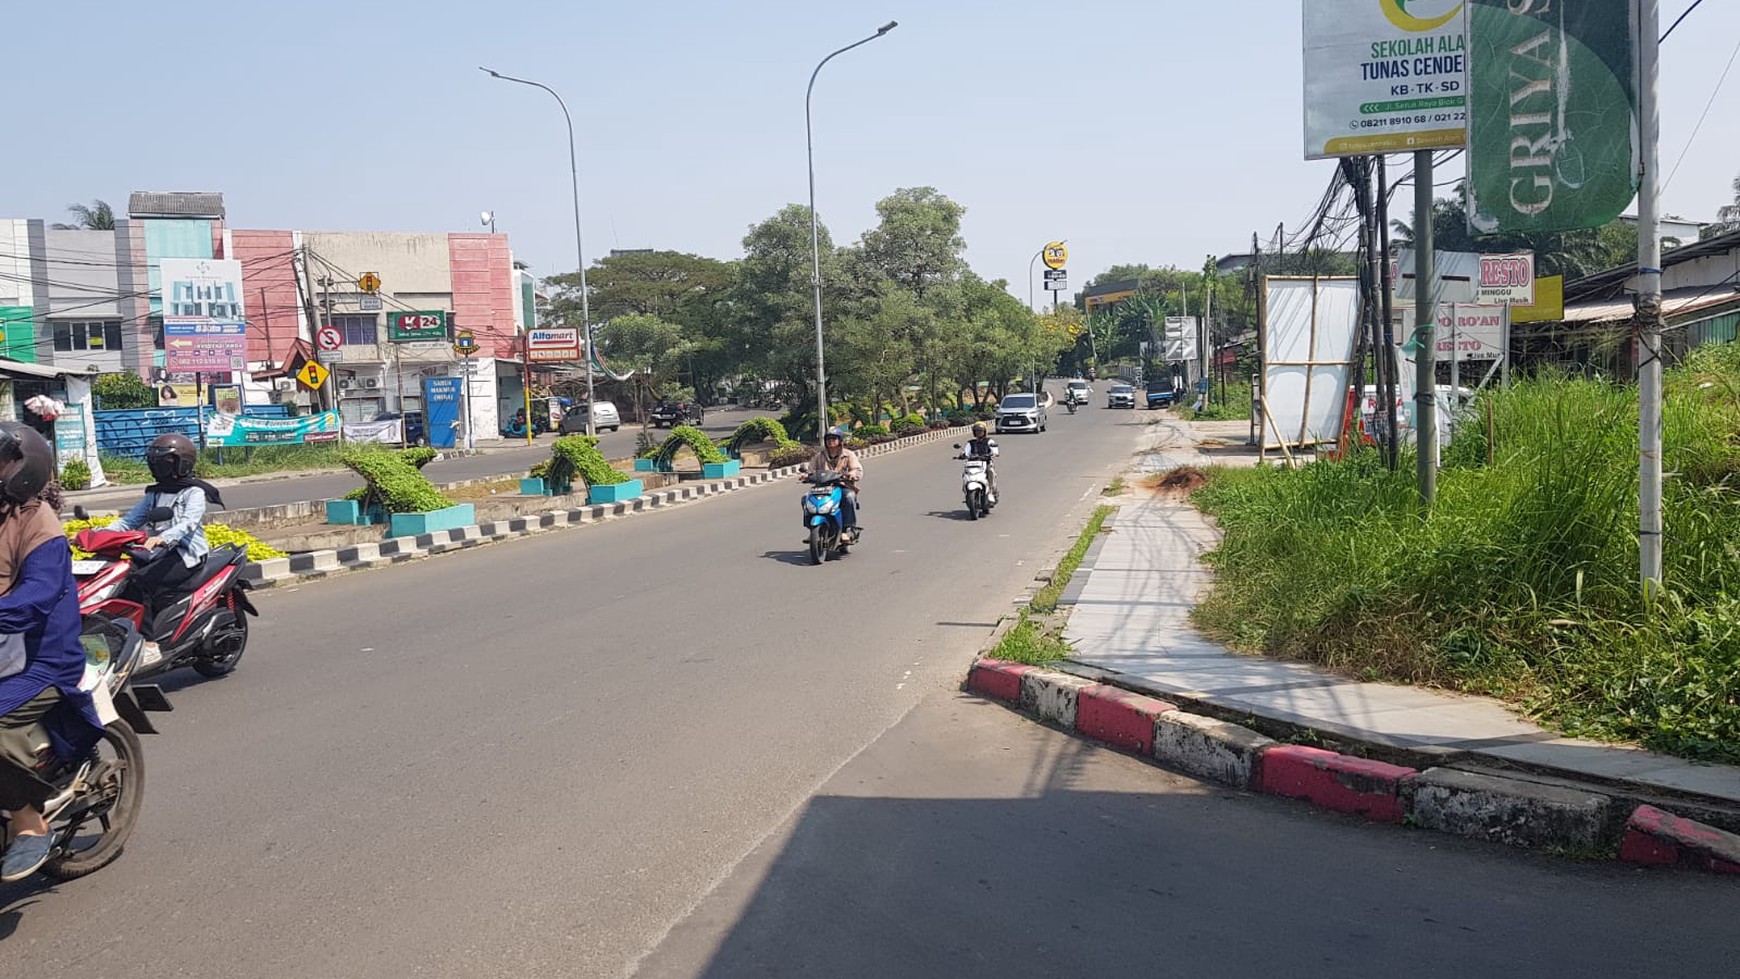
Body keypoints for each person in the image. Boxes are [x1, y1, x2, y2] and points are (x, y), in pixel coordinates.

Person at [1, 422, 103, 882]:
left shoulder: (39, 525)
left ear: (22, 469)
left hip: (42, 658)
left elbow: (35, 599)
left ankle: (28, 821)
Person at [109, 433, 221, 651]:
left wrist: (163, 538)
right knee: (119, 577)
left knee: (140, 583)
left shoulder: (194, 492)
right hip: (155, 552)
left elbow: (189, 523)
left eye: (165, 462)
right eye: (156, 462)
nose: (159, 467)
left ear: (182, 464)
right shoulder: (155, 493)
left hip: (184, 553)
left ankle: (149, 644)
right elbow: (129, 521)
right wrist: (94, 534)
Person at [808, 426, 863, 537]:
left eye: (834, 438)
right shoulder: (819, 456)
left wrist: (853, 473)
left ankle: (846, 529)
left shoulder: (848, 455)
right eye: (828, 439)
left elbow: (857, 469)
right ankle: (812, 529)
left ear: (840, 440)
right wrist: (806, 475)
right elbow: (811, 470)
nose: (831, 441)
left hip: (842, 486)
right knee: (806, 499)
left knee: (848, 497)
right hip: (822, 487)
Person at [958, 422, 999, 506]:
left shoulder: (989, 441)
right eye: (977, 431)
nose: (979, 433)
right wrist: (962, 455)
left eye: (980, 431)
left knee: (990, 471)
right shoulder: (970, 443)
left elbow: (994, 450)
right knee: (965, 474)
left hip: (985, 462)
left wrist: (993, 453)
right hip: (972, 463)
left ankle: (990, 491)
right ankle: (966, 491)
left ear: (984, 432)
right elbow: (966, 452)